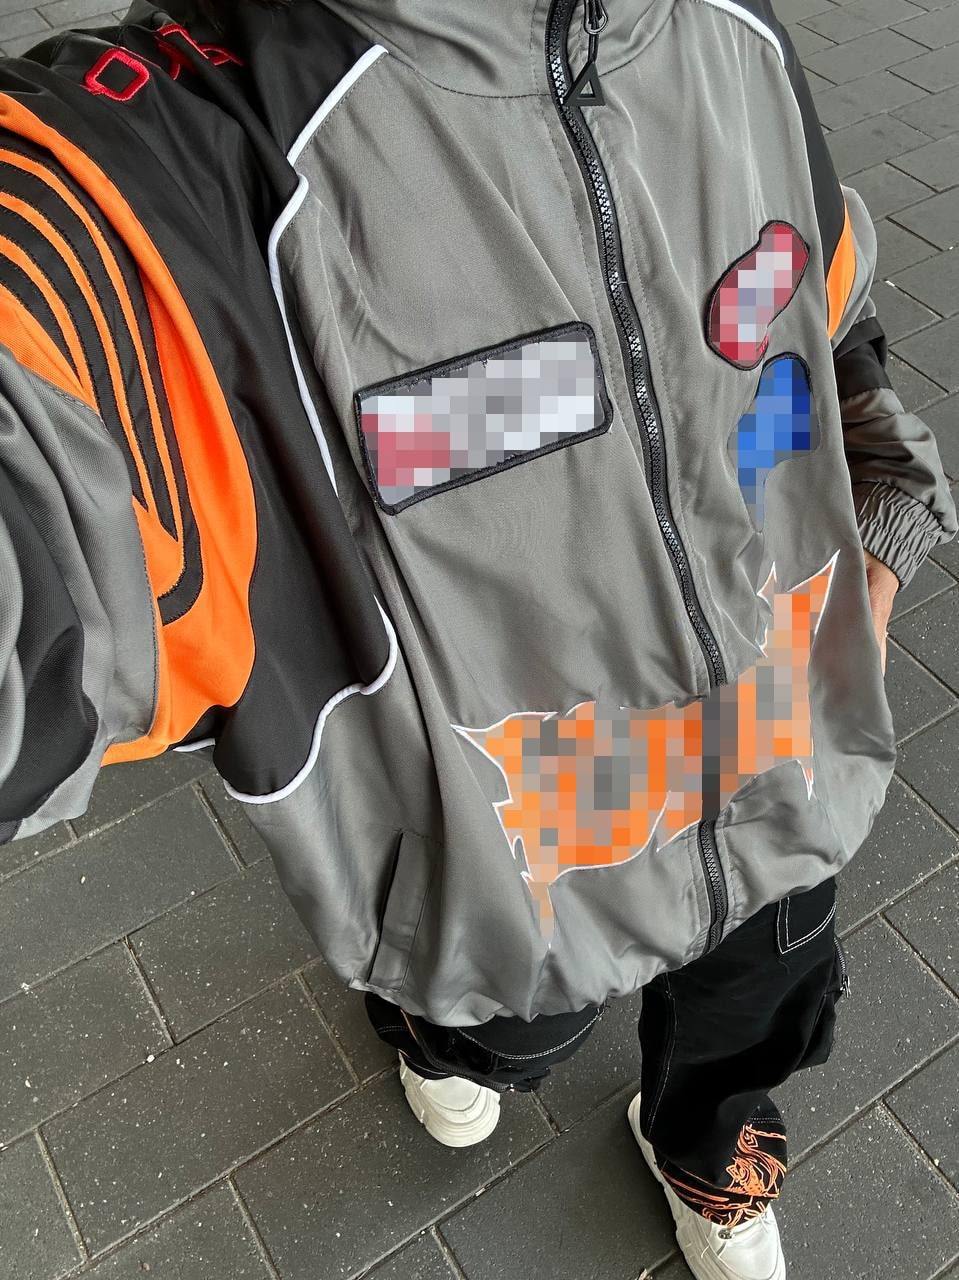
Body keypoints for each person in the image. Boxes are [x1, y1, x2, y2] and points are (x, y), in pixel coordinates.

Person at [0, 1, 953, 1276]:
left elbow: (826, 309)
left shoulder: (730, 29)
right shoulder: (185, 165)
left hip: (783, 756)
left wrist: (881, 527)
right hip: (515, 850)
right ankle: (444, 1038)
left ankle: (704, 1139)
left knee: (761, 998)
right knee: (500, 1031)